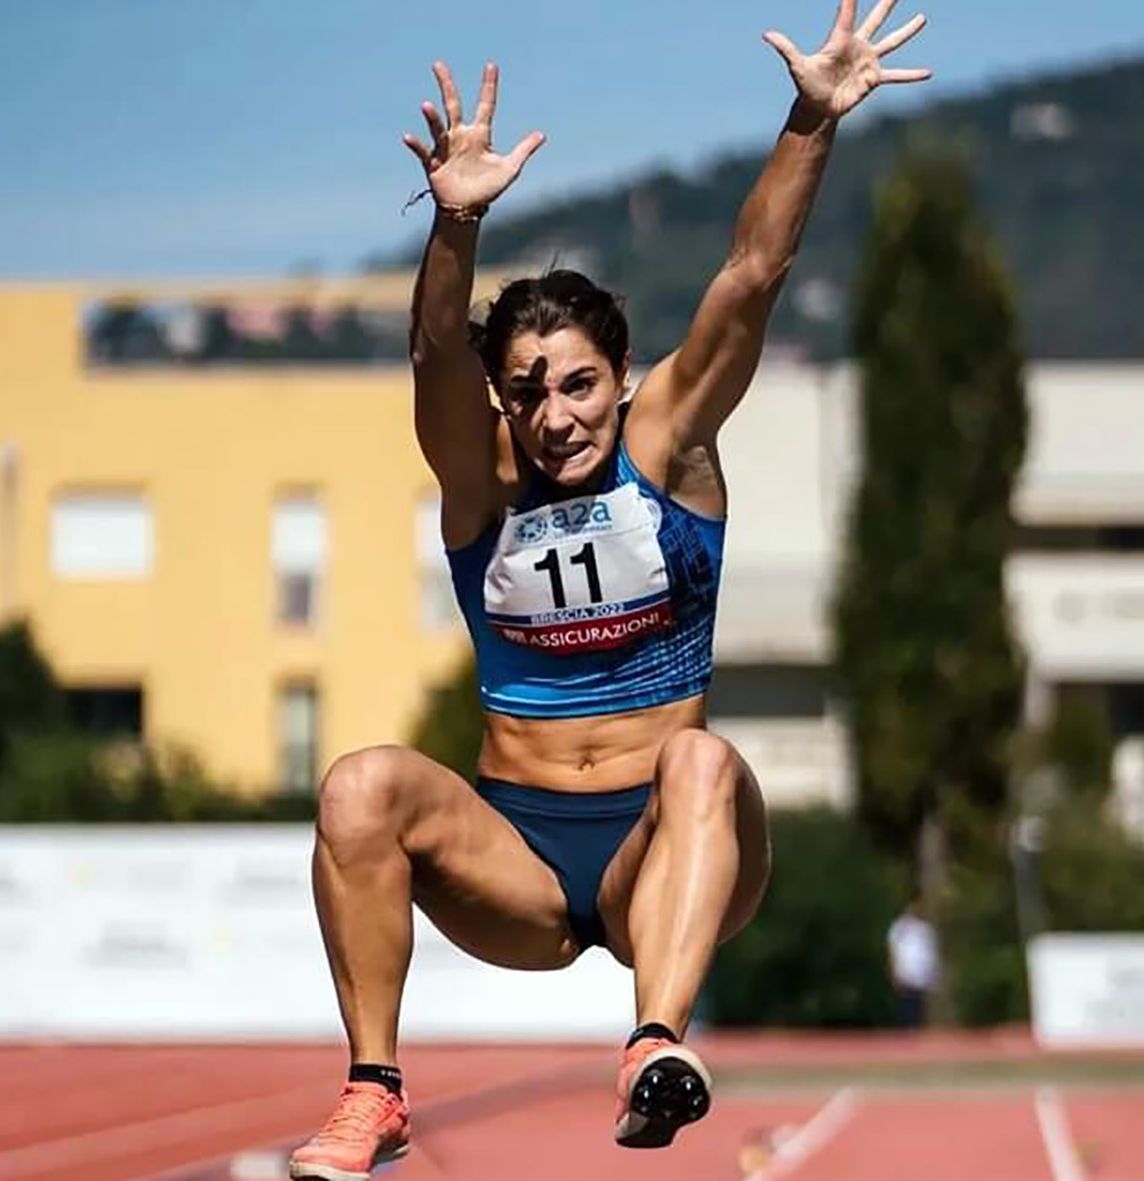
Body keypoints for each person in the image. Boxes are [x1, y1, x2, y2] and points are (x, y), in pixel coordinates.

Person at [285, 4, 932, 1179]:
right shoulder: (478, 479)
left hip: (664, 852)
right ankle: (372, 1091)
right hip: (517, 865)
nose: (557, 414)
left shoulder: (671, 444)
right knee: (358, 784)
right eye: (527, 391)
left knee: (702, 758)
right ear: (503, 402)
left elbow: (748, 274)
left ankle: (652, 1041)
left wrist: (810, 120)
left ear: (622, 376)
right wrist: (456, 219)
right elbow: (434, 354)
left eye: (579, 384)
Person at [887, 898, 936, 1029]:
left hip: (921, 974)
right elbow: (893, 951)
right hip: (905, 973)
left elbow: (930, 952)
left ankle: (917, 1032)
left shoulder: (926, 929)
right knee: (906, 1006)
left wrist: (932, 974)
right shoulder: (900, 928)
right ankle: (906, 1033)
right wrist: (894, 972)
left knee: (919, 1007)